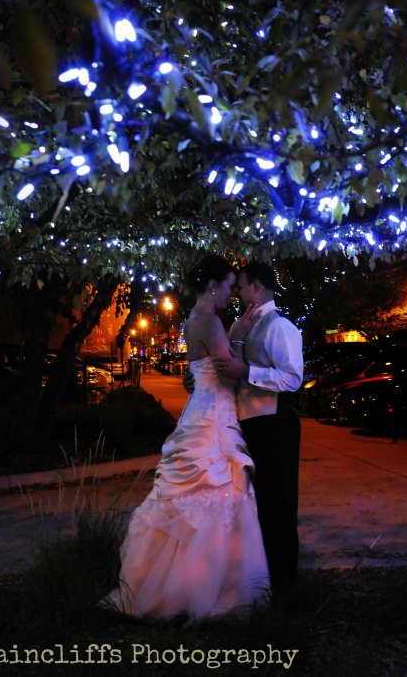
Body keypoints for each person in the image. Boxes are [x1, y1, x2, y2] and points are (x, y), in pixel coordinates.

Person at [101, 255, 269, 621]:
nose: (232, 292)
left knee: (193, 500)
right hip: (213, 418)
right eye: (228, 286)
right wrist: (241, 337)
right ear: (212, 285)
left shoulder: (192, 319)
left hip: (200, 410)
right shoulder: (210, 321)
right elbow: (228, 375)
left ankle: (178, 587)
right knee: (219, 493)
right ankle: (212, 590)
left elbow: (203, 367)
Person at [213, 262, 304, 591]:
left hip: (276, 425)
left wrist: (247, 372)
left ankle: (284, 582)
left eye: (242, 286)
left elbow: (292, 378)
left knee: (279, 505)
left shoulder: (280, 327)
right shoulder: (245, 324)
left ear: (258, 287)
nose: (237, 292)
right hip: (251, 426)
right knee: (260, 505)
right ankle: (264, 579)